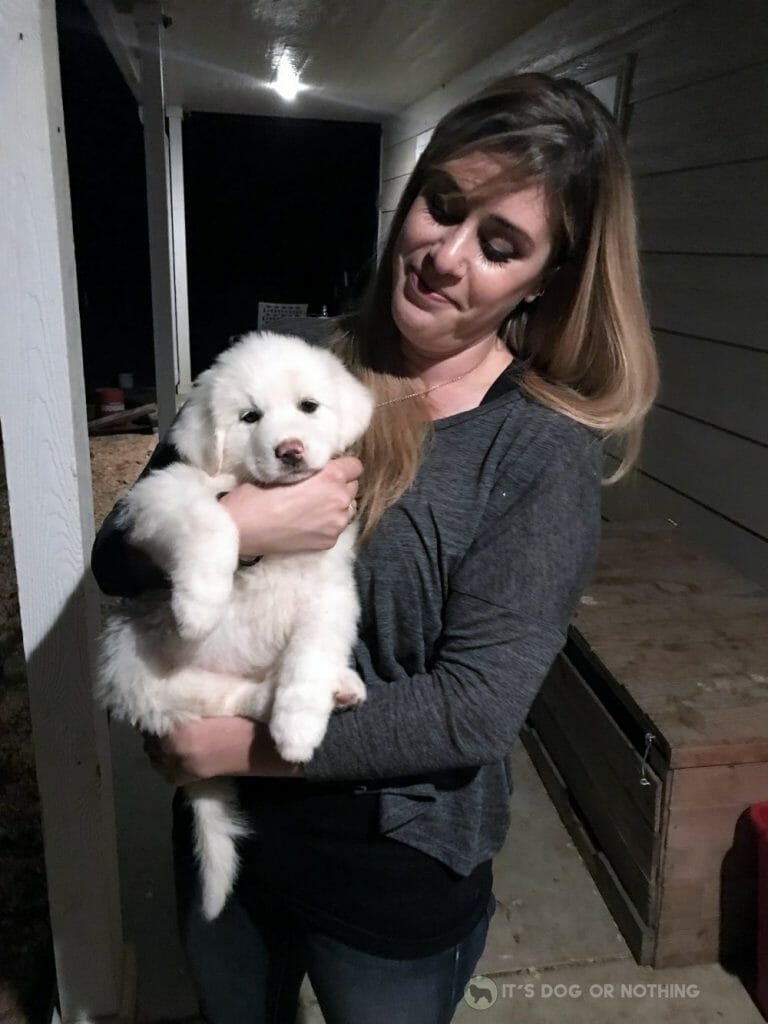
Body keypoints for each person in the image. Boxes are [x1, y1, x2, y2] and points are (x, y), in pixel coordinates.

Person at [91, 72, 658, 1024]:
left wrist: (226, 739)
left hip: (390, 869)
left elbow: (473, 710)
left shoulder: (536, 453)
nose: (444, 255)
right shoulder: (289, 366)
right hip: (226, 831)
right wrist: (239, 527)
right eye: (443, 206)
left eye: (499, 244)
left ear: (545, 278)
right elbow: (119, 555)